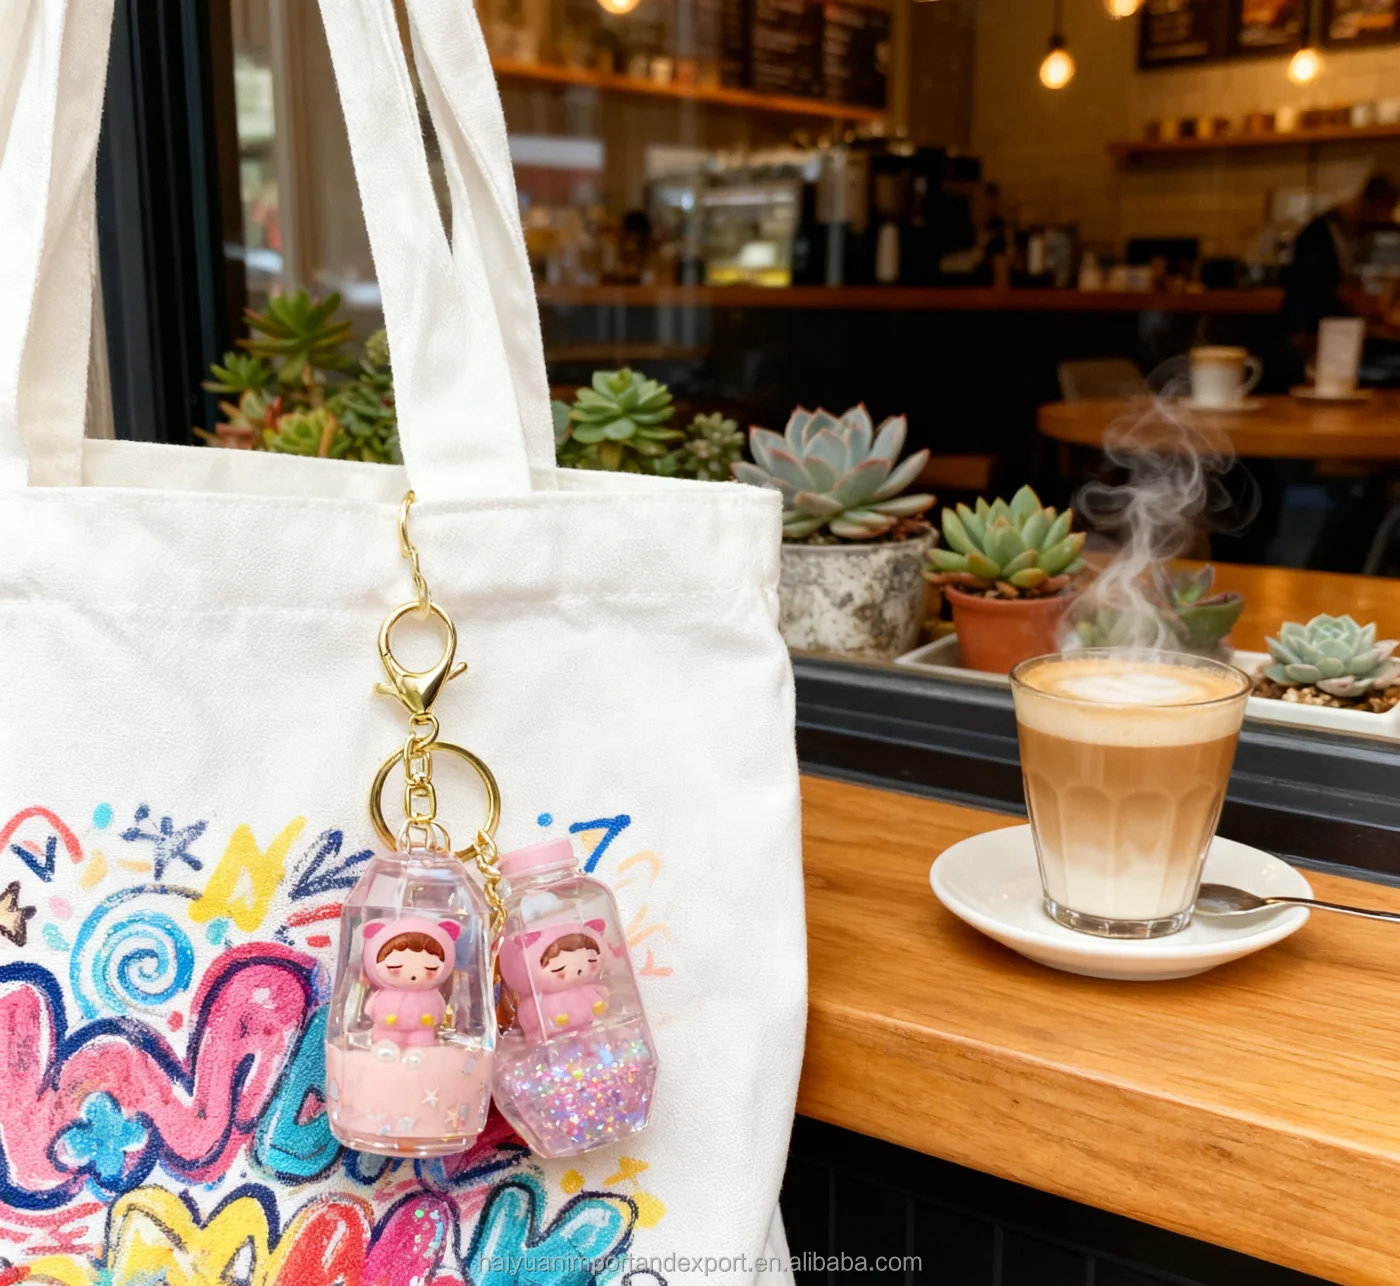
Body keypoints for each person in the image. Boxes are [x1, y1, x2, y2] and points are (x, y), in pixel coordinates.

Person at [1281, 174, 1400, 375]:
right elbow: (1324, 287)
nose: (1384, 219)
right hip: (1309, 331)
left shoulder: (1350, 232)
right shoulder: (1319, 233)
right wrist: (1375, 312)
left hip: (1337, 333)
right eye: (1383, 210)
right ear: (1368, 202)